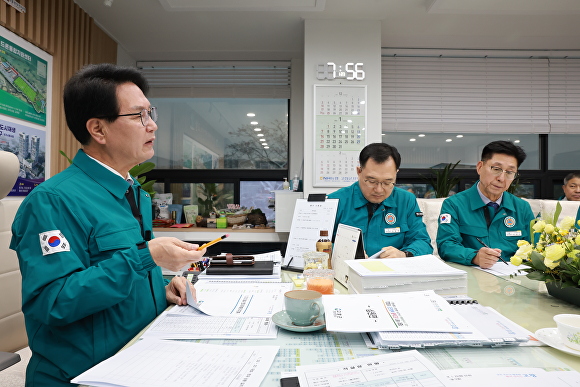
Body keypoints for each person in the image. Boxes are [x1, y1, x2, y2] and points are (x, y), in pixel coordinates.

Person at [10, 64, 206, 386]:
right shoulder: (52, 201)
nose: (153, 125)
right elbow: (54, 301)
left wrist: (160, 289)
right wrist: (148, 257)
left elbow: (117, 277)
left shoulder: (133, 193)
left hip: (137, 361)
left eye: (151, 112)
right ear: (98, 130)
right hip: (83, 377)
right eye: (139, 115)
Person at [436, 140, 535, 269]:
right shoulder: (454, 205)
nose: (501, 178)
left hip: (513, 278)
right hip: (473, 278)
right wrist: (474, 256)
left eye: (509, 172)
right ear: (479, 167)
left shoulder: (522, 208)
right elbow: (446, 245)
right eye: (496, 169)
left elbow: (536, 248)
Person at [328, 143, 433, 258]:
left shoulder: (406, 200)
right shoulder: (335, 201)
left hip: (392, 273)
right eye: (371, 181)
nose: (379, 190)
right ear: (359, 171)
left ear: (396, 174)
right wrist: (345, 252)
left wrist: (404, 254)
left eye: (387, 182)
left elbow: (422, 241)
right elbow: (316, 243)